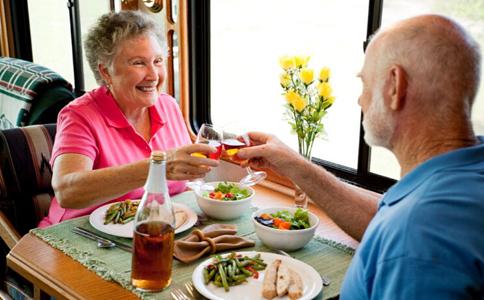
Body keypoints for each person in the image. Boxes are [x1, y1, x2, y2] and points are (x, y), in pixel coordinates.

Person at [238, 14, 484, 299]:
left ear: (395, 86)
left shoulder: (417, 237)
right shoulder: (459, 180)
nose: (360, 100)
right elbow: (383, 219)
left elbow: (407, 234)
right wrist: (292, 164)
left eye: (364, 82)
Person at [39, 11, 219, 227]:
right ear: (106, 71)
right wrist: (158, 166)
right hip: (81, 234)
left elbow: (186, 181)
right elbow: (67, 191)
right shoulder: (79, 116)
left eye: (158, 61)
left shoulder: (168, 106)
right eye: (138, 63)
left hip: (151, 229)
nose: (153, 75)